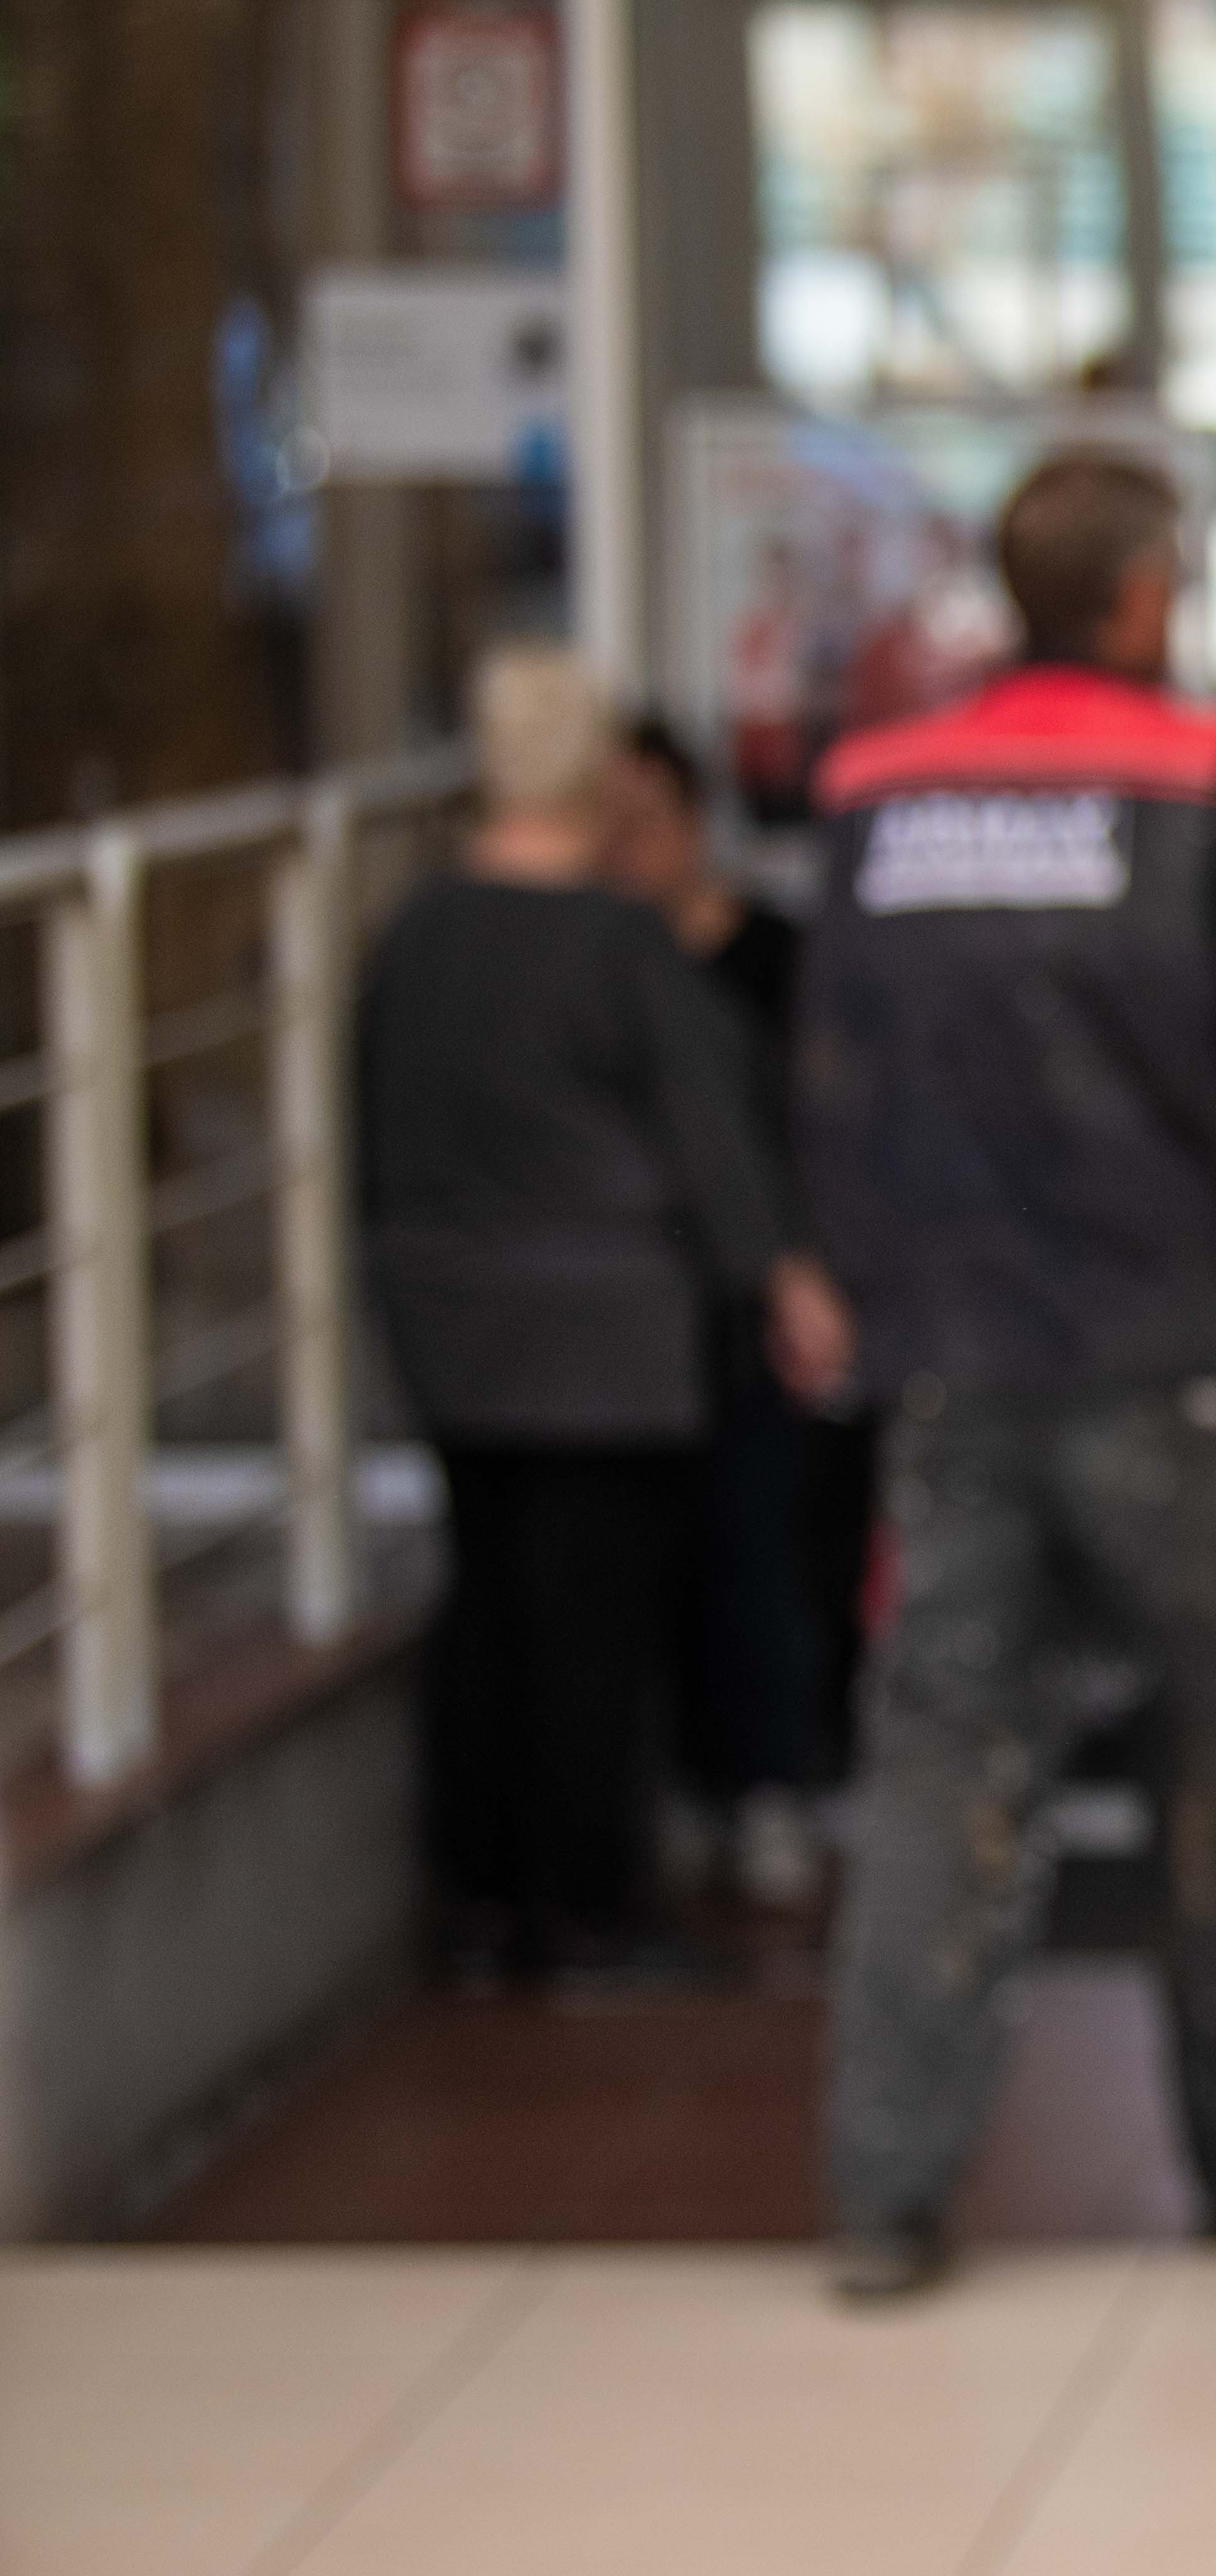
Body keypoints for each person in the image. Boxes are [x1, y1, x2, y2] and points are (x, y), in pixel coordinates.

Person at [792, 450, 1216, 2302]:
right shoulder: (1206, 782)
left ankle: (884, 2201)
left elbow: (835, 1071)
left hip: (955, 1370)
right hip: (1183, 1360)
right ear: (1141, 596)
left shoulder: (873, 794)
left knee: (946, 1766)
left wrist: (855, 1285)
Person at [358, 644, 827, 1993]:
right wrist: (781, 1278)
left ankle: (480, 1903)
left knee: (487, 1605)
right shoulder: (620, 946)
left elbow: (375, 1125)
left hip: (451, 1326)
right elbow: (713, 1139)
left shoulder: (417, 934)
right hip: (605, 1342)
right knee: (592, 1633)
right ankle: (585, 1910)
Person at [602, 718, 875, 1916]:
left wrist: (808, 1273)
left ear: (696, 821)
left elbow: (825, 1126)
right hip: (636, 1315)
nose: (626, 852)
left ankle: (785, 1777)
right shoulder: (596, 971)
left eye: (646, 823)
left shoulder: (781, 959)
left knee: (778, 1541)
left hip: (771, 1303)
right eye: (604, 827)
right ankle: (699, 1782)